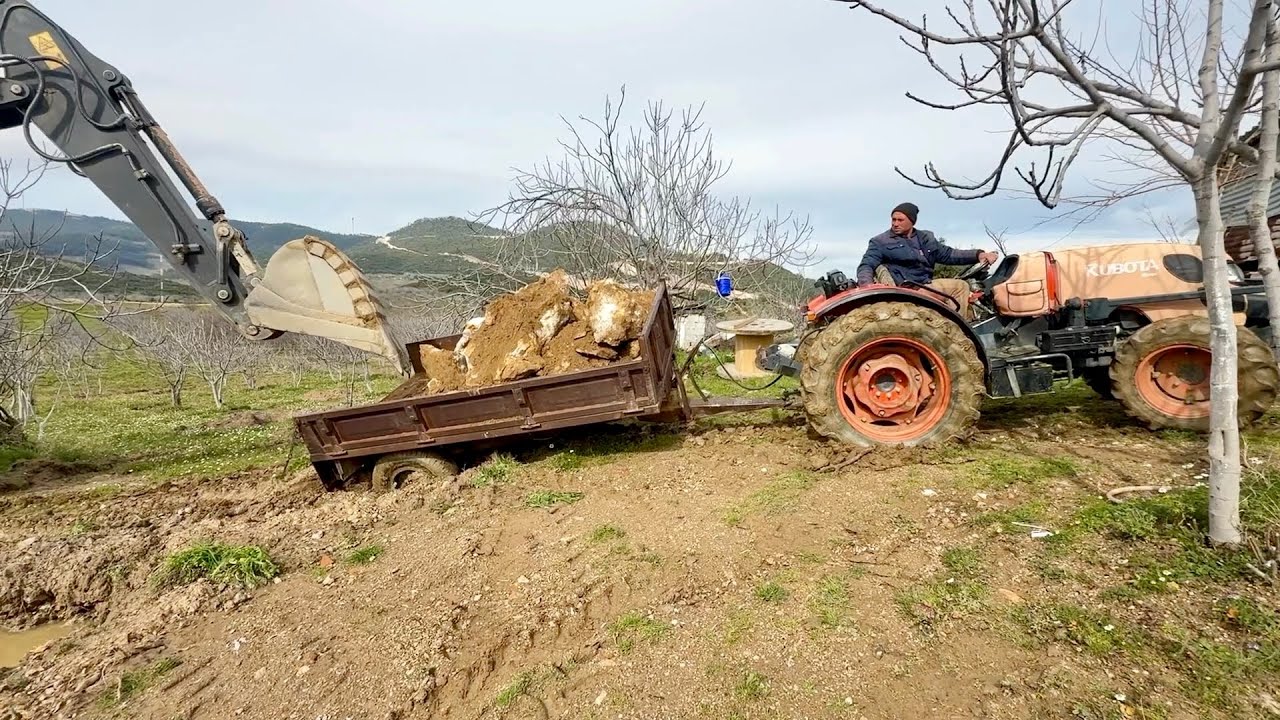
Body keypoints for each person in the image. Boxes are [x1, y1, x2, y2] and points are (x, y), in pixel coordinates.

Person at [855, 202, 998, 320]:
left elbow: (949, 254)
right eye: (893, 219)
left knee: (956, 288)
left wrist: (978, 255)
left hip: (926, 286)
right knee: (959, 287)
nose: (895, 224)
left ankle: (949, 325)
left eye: (900, 220)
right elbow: (866, 265)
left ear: (911, 221)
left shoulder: (925, 238)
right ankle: (961, 333)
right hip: (907, 290)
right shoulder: (881, 241)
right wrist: (868, 287)